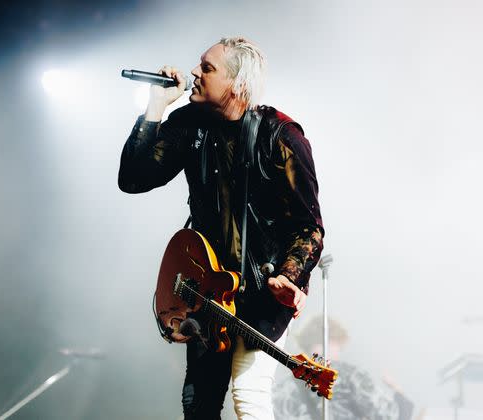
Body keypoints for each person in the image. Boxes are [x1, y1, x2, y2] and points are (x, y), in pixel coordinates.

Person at [118, 37, 324, 420]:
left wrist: (289, 276)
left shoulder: (281, 136)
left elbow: (309, 228)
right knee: (198, 406)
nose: (194, 72)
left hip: (263, 293)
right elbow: (133, 178)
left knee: (249, 396)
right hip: (207, 290)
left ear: (237, 84)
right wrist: (156, 107)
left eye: (207, 68)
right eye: (199, 64)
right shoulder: (188, 124)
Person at [273, 316, 417, 420]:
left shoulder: (283, 389)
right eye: (340, 347)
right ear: (333, 341)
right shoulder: (348, 376)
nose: (339, 353)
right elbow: (391, 415)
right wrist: (399, 394)